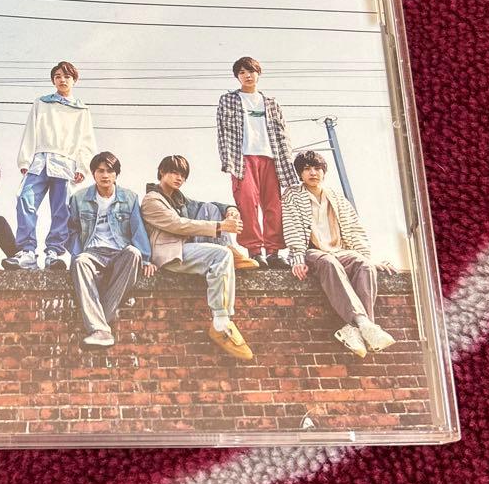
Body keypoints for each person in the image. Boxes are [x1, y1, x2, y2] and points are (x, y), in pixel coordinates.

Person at [282, 149, 397, 358]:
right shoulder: (292, 195)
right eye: (307, 169)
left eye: (317, 168)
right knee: (329, 262)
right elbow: (292, 226)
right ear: (300, 174)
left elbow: (354, 229)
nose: (313, 173)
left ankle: (355, 330)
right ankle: (364, 323)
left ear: (324, 171)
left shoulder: (336, 197)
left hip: (340, 250)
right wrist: (297, 258)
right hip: (312, 252)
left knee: (364, 265)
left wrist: (368, 258)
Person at [139, 154, 254, 361]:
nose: (179, 178)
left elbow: (207, 205)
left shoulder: (179, 198)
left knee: (209, 209)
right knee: (221, 255)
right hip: (169, 253)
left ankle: (230, 252)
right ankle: (221, 323)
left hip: (186, 248)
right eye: (174, 172)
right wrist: (220, 227)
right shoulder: (151, 200)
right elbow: (178, 225)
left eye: (183, 175)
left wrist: (230, 210)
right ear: (162, 172)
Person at [12, 60, 97, 270]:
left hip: (66, 163)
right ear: (53, 80)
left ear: (74, 80)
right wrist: (25, 159)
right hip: (40, 160)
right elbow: (30, 130)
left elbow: (86, 141)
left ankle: (54, 252)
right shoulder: (41, 103)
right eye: (58, 76)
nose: (62, 80)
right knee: (25, 199)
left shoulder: (81, 109)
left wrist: (83, 167)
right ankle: (27, 251)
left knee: (62, 208)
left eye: (67, 76)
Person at [67, 151, 155, 347]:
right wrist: (76, 253)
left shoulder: (129, 198)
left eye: (109, 171)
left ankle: (100, 327)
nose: (105, 175)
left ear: (116, 174)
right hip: (92, 252)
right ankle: (102, 328)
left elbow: (138, 229)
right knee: (79, 262)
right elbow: (72, 230)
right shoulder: (79, 198)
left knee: (134, 253)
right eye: (100, 171)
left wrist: (146, 259)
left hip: (119, 251)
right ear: (93, 173)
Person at [216, 55, 295, 268]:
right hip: (242, 157)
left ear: (258, 73)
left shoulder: (271, 103)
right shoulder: (228, 100)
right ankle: (255, 251)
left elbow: (283, 133)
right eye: (242, 72)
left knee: (274, 205)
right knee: (247, 203)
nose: (247, 76)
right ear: (237, 77)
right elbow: (223, 130)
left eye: (250, 71)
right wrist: (227, 159)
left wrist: (287, 158)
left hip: (272, 157)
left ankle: (273, 252)